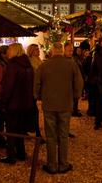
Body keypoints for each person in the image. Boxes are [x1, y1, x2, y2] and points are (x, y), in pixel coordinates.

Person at [34, 42, 83, 174]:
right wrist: (75, 96)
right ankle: (63, 164)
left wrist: (38, 96)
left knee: (50, 135)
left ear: (52, 51)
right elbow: (78, 82)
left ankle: (51, 165)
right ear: (61, 51)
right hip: (65, 104)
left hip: (49, 104)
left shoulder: (44, 65)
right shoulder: (71, 65)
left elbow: (37, 83)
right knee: (63, 135)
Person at [0, 43, 35, 165]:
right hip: (25, 103)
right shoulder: (28, 65)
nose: (7, 52)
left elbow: (8, 87)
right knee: (20, 129)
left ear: (13, 51)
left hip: (13, 104)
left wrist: (3, 102)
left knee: (10, 130)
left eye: (9, 49)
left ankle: (11, 156)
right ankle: (21, 153)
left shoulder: (12, 66)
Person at [26, 44, 45, 142]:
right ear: (32, 51)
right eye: (36, 49)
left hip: (37, 88)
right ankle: (36, 132)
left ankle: (34, 130)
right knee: (34, 111)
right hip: (31, 89)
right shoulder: (30, 62)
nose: (38, 51)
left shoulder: (38, 60)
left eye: (38, 49)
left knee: (33, 110)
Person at [65, 42, 83, 117]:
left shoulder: (73, 59)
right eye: (69, 51)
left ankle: (74, 109)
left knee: (75, 98)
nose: (71, 52)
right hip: (67, 84)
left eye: (72, 50)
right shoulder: (64, 60)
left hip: (73, 83)